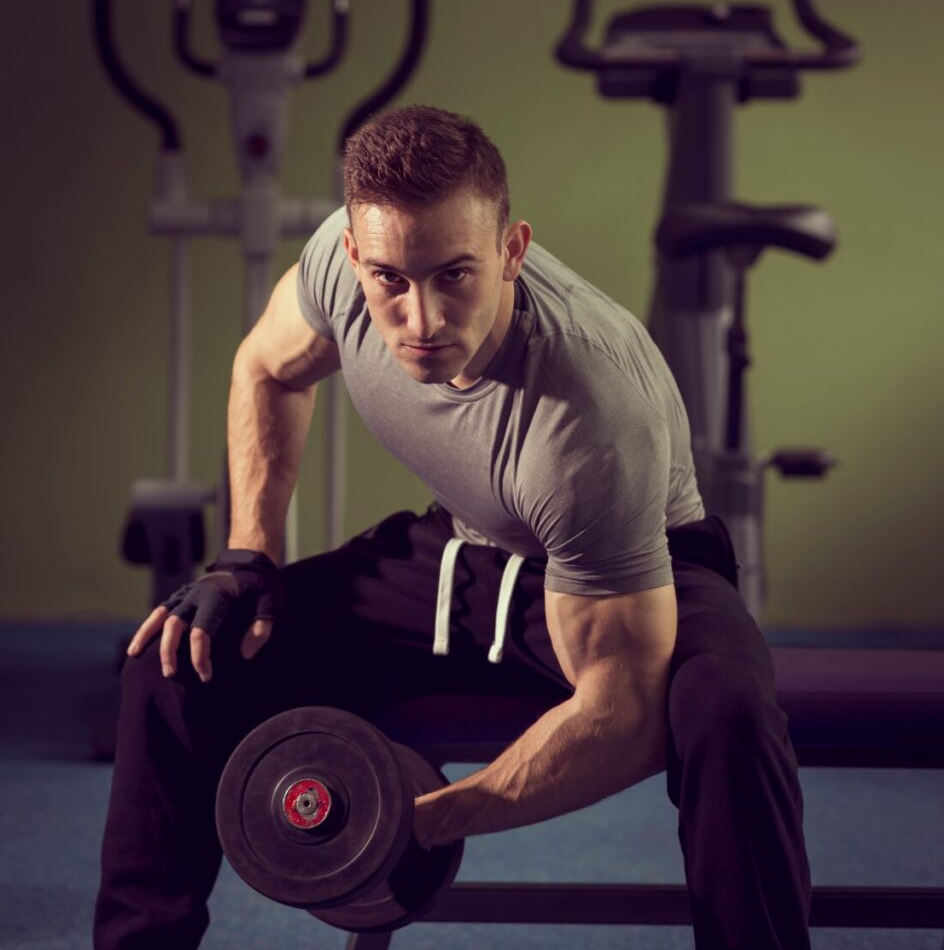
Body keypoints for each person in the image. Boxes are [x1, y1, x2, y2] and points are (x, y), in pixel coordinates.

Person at [93, 105, 811, 949]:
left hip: (632, 562)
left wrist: (418, 821)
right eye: (391, 279)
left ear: (513, 252)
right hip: (467, 545)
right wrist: (248, 555)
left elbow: (616, 711)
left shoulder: (588, 413)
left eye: (454, 276)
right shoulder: (338, 260)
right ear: (355, 254)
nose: (422, 319)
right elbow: (266, 367)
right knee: (178, 655)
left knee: (723, 709)